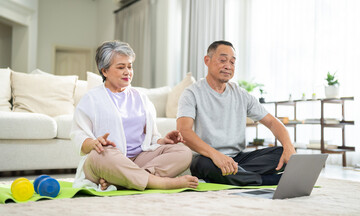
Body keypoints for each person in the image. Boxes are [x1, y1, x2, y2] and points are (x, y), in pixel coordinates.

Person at [70, 40, 198, 191]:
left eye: (130, 66)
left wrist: (163, 140)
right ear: (104, 71)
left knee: (182, 151)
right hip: (108, 160)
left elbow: (150, 139)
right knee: (101, 154)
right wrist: (93, 143)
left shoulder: (141, 98)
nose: (127, 72)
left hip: (139, 160)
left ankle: (123, 180)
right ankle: (159, 182)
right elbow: (78, 134)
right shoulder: (91, 99)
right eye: (121, 67)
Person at [177, 40, 296, 186]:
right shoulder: (191, 93)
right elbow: (184, 131)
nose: (228, 66)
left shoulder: (241, 94)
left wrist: (289, 146)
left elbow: (272, 122)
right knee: (200, 164)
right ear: (207, 60)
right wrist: (215, 155)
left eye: (232, 62)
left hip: (238, 159)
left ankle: (233, 176)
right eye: (222, 60)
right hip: (209, 157)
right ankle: (265, 180)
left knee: (281, 153)